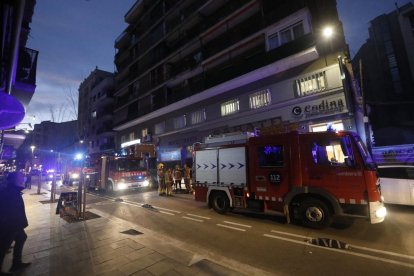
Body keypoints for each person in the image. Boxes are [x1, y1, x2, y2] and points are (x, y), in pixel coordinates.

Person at [0, 172, 31, 274]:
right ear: (14, 180)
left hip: (13, 223)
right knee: (4, 246)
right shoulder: (10, 192)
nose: (23, 179)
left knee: (22, 237)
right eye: (21, 178)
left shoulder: (13, 189)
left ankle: (16, 263)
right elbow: (9, 211)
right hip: (10, 224)